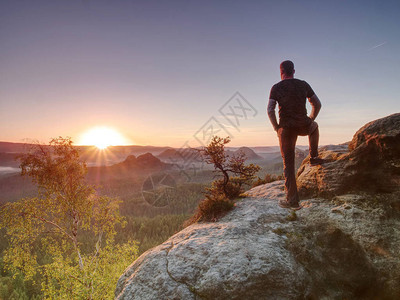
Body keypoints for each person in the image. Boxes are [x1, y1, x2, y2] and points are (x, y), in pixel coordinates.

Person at [268, 60, 324, 210]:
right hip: (302, 124)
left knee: (289, 165)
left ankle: (292, 202)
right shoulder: (303, 84)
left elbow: (270, 109)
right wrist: (311, 118)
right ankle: (314, 157)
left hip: (286, 129)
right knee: (314, 126)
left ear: (281, 72)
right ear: (293, 71)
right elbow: (317, 104)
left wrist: (276, 128)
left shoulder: (276, 87)